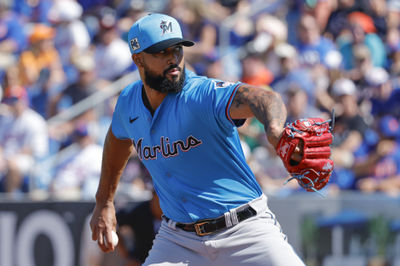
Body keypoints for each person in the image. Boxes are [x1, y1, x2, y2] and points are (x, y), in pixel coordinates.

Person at [90, 13, 305, 266]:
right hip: (178, 240)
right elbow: (117, 142)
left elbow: (264, 98)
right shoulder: (129, 103)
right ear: (138, 59)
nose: (173, 59)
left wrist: (275, 128)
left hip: (245, 229)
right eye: (161, 51)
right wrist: (104, 201)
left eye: (177, 49)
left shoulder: (200, 94)